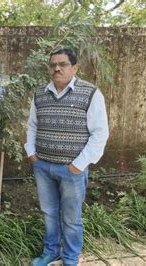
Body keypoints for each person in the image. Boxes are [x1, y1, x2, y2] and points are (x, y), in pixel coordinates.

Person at [25, 48, 109, 266]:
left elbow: (100, 133)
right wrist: (32, 154)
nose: (57, 68)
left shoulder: (90, 93)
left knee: (71, 218)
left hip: (72, 170)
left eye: (62, 64)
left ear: (75, 68)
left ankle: (70, 258)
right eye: (53, 65)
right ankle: (51, 252)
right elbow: (32, 126)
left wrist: (78, 165)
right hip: (43, 166)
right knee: (49, 213)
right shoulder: (40, 94)